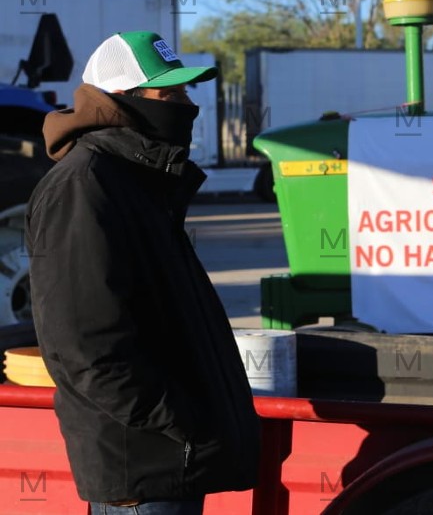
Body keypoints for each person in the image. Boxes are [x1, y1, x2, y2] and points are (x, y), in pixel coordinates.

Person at [25, 32, 260, 514]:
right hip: (144, 475)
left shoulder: (137, 180)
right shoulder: (85, 186)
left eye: (186, 92)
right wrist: (179, 420)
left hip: (169, 465)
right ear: (121, 101)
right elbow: (85, 347)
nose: (186, 105)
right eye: (169, 94)